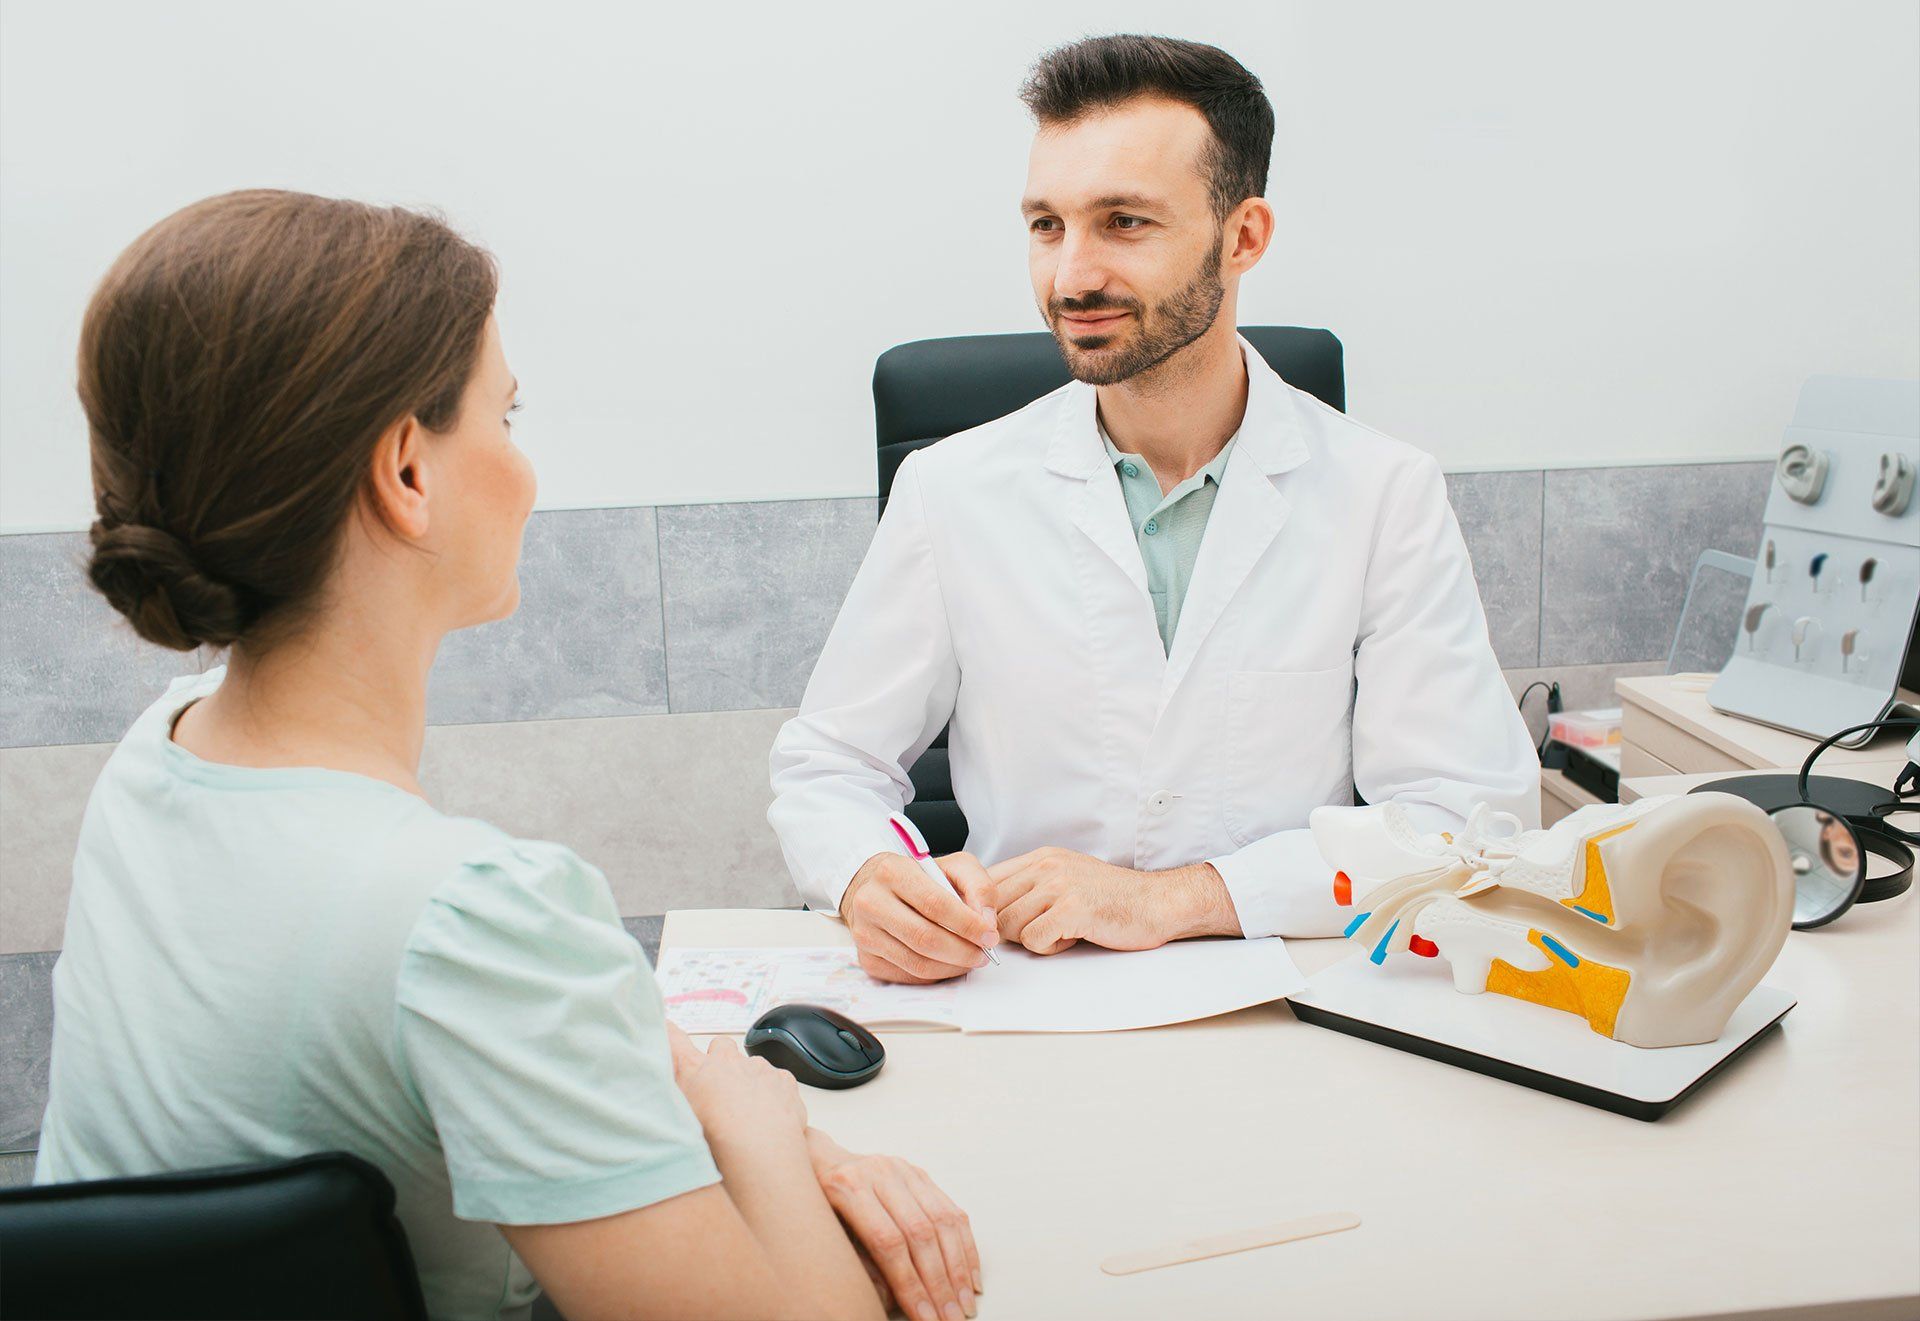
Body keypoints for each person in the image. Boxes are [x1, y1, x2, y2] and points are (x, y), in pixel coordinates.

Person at [36, 190, 980, 1321]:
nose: (524, 466)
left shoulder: (160, 761)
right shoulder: (475, 915)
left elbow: (530, 1004)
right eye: (508, 417)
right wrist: (762, 1127)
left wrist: (690, 1078)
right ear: (408, 474)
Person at [768, 35, 1540, 984]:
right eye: (1047, 225)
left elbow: (1463, 823)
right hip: (1026, 993)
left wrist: (1177, 898)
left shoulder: (1384, 492)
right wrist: (866, 874)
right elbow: (828, 764)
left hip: (1282, 994)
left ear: (1244, 236)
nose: (1071, 277)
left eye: (1123, 222)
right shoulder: (952, 488)